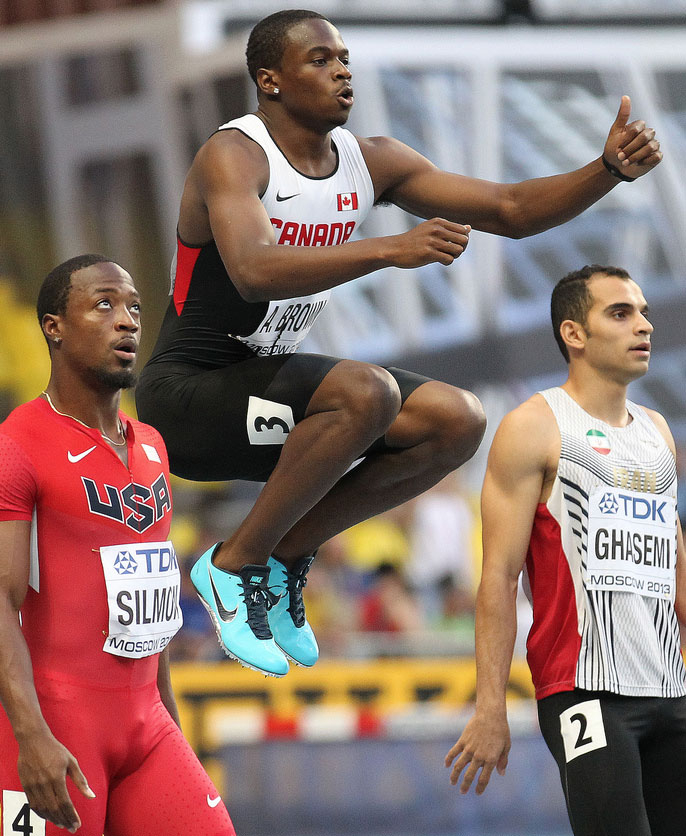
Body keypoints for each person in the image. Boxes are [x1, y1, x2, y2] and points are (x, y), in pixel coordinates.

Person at [135, 8, 663, 678]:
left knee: (457, 421)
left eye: (344, 58)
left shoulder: (372, 162)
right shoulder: (234, 155)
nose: (341, 71)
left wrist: (606, 169)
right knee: (367, 393)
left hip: (268, 394)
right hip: (187, 401)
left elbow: (509, 208)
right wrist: (391, 248)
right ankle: (233, 563)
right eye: (320, 60)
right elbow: (253, 268)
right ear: (269, 80)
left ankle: (289, 551)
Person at [445, 265, 686, 835]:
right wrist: (490, 707)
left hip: (671, 688)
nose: (643, 326)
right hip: (585, 692)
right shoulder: (534, 426)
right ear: (574, 334)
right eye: (621, 313)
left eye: (644, 312)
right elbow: (498, 577)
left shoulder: (658, 432)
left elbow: (675, 570)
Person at [0, 254, 235, 835]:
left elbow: (146, 609)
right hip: (55, 726)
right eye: (103, 304)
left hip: (146, 723)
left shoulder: (151, 445)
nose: (127, 320)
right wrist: (31, 735)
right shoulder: (19, 444)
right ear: (53, 326)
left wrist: (172, 731)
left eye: (133, 307)